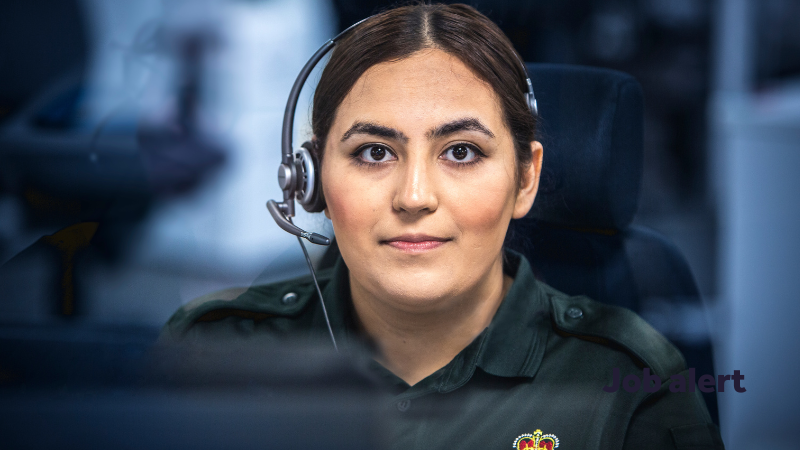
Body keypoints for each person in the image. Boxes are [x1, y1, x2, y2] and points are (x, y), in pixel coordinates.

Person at [163, 4, 724, 449]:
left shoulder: (629, 380)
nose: (414, 197)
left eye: (460, 152)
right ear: (309, 183)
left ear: (525, 179)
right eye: (374, 152)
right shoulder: (217, 349)